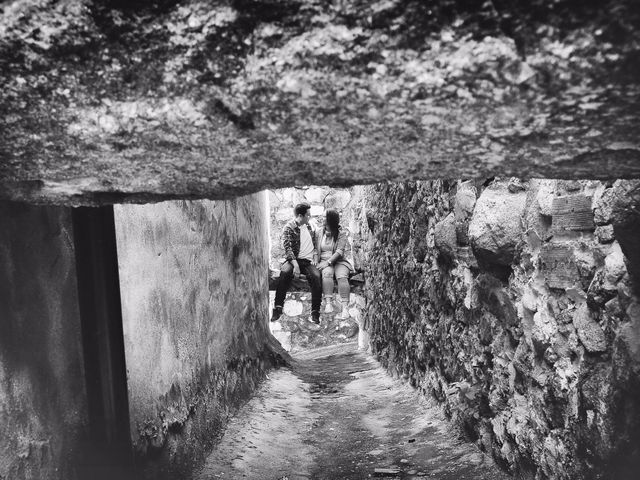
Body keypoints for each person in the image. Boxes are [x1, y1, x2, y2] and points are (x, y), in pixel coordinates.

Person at [272, 202, 322, 324]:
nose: (309, 217)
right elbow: (287, 248)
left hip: (307, 261)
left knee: (316, 276)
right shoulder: (289, 228)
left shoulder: (310, 226)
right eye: (308, 215)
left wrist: (315, 256)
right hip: (293, 259)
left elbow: (315, 244)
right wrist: (295, 265)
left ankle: (315, 312)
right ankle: (278, 308)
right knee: (284, 273)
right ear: (300, 215)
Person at [316, 209, 354, 320]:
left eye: (324, 217)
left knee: (342, 276)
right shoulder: (319, 232)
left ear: (330, 219)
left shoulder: (341, 234)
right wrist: (316, 260)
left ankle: (345, 308)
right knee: (327, 274)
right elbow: (315, 248)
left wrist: (328, 262)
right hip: (323, 261)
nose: (322, 218)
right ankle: (328, 304)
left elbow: (339, 251)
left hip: (338, 261)